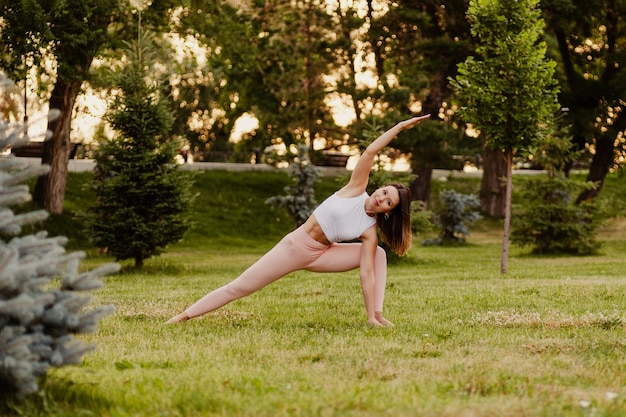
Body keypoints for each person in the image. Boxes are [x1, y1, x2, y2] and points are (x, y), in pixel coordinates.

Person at [166, 114, 430, 326]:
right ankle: (184, 316)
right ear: (380, 188)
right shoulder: (357, 188)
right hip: (296, 247)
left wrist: (371, 314)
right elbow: (370, 152)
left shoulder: (369, 231)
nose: (381, 199)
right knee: (241, 287)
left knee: (378, 256)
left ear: (388, 212)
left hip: (323, 254)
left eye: (388, 202)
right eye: (384, 192)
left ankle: (377, 315)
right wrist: (399, 127)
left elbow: (366, 273)